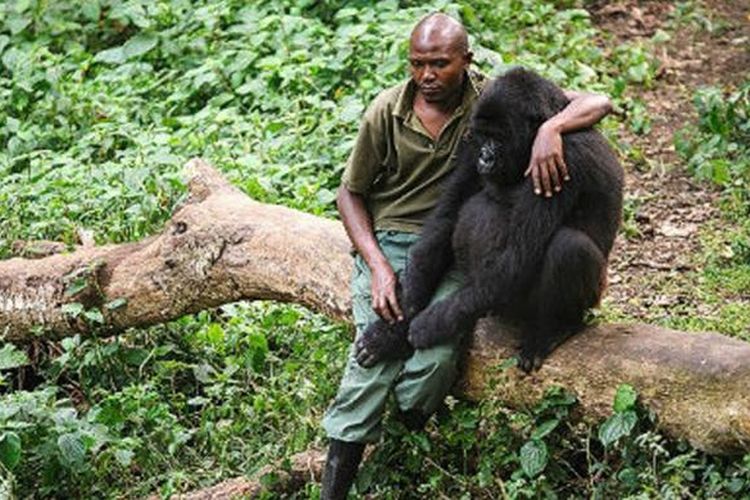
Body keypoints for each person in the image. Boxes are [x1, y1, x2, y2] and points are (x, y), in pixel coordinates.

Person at [321, 13, 612, 499]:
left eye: (439, 64)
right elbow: (443, 220)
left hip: (551, 278)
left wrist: (427, 326)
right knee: (378, 354)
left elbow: (517, 262)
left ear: (465, 62)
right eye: (418, 63)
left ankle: (555, 327)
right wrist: (402, 311)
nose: (485, 154)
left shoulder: (558, 155)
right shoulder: (465, 117)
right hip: (434, 252)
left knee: (566, 249)